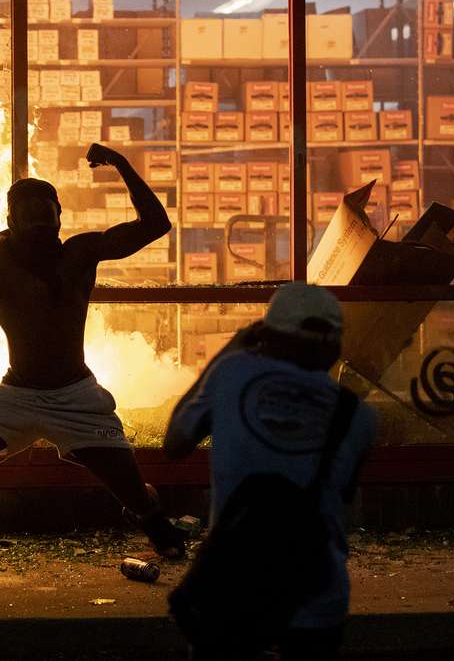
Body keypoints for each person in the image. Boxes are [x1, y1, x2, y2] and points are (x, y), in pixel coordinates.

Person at [0, 143, 187, 578]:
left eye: (44, 211)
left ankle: (149, 516)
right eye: (26, 212)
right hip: (15, 395)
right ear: (11, 222)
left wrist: (122, 164)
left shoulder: (80, 252)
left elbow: (155, 224)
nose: (37, 219)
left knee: (134, 493)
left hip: (77, 397)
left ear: (59, 217)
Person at [164, 282, 377, 661]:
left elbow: (175, 443)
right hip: (317, 596)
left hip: (232, 589)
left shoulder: (233, 373)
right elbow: (343, 500)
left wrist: (231, 349)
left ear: (266, 334)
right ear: (334, 346)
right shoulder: (358, 416)